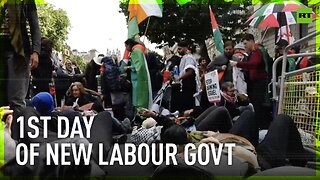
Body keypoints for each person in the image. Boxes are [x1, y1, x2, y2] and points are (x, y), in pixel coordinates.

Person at [0, 0, 41, 111]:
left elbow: (34, 25)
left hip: (19, 53)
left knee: (16, 100)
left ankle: (17, 127)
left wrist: (36, 51)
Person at [230, 34, 271, 129]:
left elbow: (254, 64)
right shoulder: (252, 53)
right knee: (256, 106)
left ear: (251, 41)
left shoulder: (257, 51)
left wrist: (238, 64)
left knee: (259, 106)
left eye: (245, 43)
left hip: (260, 83)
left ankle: (264, 126)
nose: (245, 46)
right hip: (253, 84)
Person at [171, 41, 201, 112]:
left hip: (189, 86)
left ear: (185, 48)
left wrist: (179, 78)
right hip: (186, 86)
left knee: (188, 106)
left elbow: (190, 71)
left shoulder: (188, 58)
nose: (178, 51)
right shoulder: (184, 58)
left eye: (179, 49)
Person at [124, 39, 152, 109]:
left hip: (138, 80)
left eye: (126, 46)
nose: (126, 49)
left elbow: (139, 66)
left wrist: (129, 68)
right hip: (138, 79)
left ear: (129, 45)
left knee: (138, 100)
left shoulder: (136, 51)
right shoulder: (139, 50)